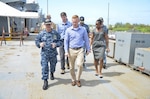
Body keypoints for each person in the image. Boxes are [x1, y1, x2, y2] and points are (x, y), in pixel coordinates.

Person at [35, 19, 62, 90]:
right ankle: (45, 81)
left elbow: (61, 41)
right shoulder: (41, 33)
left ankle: (52, 73)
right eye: (47, 25)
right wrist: (39, 44)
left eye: (49, 24)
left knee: (53, 66)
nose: (48, 26)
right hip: (44, 54)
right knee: (44, 67)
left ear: (51, 25)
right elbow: (36, 40)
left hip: (53, 54)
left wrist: (56, 44)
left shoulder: (55, 33)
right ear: (45, 25)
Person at [64, 15, 90, 87]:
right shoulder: (68, 30)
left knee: (80, 65)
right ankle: (73, 79)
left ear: (78, 21)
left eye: (75, 22)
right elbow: (66, 41)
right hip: (71, 50)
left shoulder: (83, 29)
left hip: (80, 49)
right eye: (73, 22)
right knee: (71, 67)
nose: (74, 23)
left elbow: (86, 39)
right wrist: (66, 51)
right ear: (71, 22)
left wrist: (88, 49)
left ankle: (78, 79)